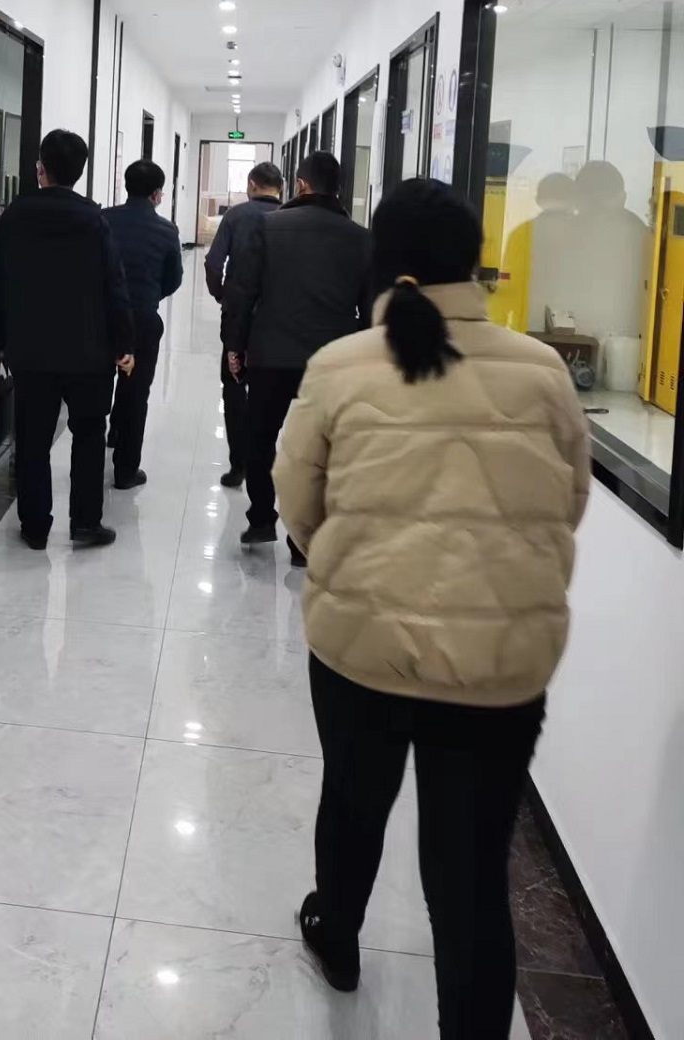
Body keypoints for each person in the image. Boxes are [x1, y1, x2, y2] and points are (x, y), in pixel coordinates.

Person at [274, 179, 590, 1039]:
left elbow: (298, 499)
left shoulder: (341, 365)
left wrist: (344, 561)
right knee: (471, 874)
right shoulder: (542, 370)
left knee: (353, 802)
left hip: (363, 647)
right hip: (498, 667)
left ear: (382, 260)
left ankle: (338, 935)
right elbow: (566, 503)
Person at [0, 128, 135, 550]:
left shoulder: (12, 219)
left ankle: (35, 526)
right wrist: (124, 343)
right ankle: (85, 522)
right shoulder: (95, 221)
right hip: (90, 352)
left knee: (32, 439)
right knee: (88, 434)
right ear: (79, 173)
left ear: (41, 169)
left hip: (30, 352)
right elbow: (115, 287)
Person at [223, 149, 371, 554]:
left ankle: (261, 518)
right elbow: (372, 309)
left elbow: (242, 292)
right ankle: (303, 537)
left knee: (261, 436)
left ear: (301, 185)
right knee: (321, 446)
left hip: (270, 353)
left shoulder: (268, 226)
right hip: (332, 362)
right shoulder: (361, 238)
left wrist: (236, 346)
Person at [103, 159, 185, 487]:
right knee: (136, 392)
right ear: (156, 194)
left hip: (102, 318)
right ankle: (125, 470)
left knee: (97, 385)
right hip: (141, 319)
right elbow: (173, 279)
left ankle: (107, 437)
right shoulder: (167, 230)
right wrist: (148, 296)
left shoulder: (103, 220)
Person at [203, 160, 284, 488]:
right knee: (269, 388)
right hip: (277, 317)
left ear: (252, 184)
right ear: (281, 187)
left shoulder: (236, 216)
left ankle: (239, 464)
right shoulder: (290, 217)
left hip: (238, 314)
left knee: (234, 385)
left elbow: (213, 262)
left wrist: (222, 294)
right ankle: (265, 460)